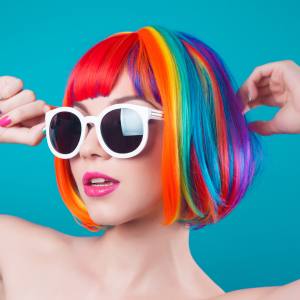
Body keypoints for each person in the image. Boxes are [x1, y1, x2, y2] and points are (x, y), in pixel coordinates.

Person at [0, 25, 299, 299]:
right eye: (73, 125)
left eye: (121, 124)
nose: (88, 148)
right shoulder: (11, 256)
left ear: (193, 136)